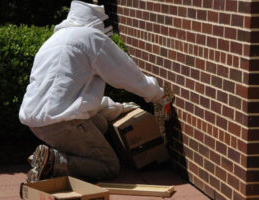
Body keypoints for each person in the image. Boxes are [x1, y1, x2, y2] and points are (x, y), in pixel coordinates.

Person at [19, 0, 165, 183]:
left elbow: (72, 94)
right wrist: (157, 94)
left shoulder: (53, 41)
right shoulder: (91, 38)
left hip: (37, 123)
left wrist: (118, 108)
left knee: (100, 123)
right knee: (107, 166)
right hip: (63, 122)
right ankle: (55, 161)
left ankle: (48, 159)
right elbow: (126, 74)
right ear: (97, 22)